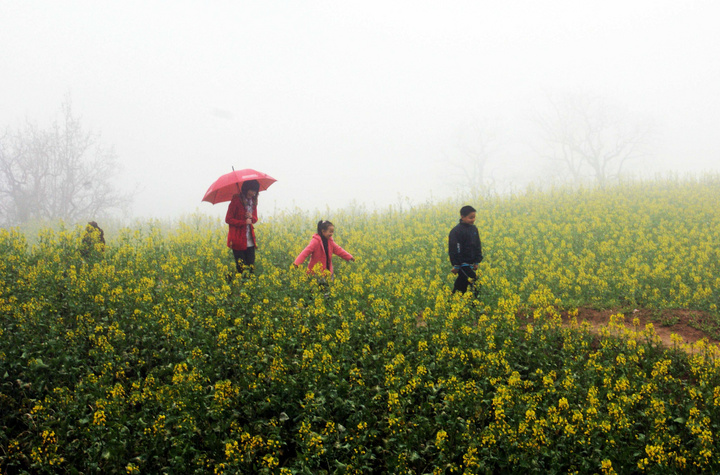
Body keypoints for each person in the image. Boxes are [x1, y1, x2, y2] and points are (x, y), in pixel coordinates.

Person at [226, 180, 260, 274]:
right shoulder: (236, 200)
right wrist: (243, 222)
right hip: (238, 240)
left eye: (255, 191)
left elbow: (255, 219)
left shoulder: (253, 202)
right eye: (252, 190)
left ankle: (249, 286)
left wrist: (251, 217)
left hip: (250, 240)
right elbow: (228, 219)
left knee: (251, 267)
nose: (253, 193)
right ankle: (242, 286)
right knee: (241, 268)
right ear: (246, 189)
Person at [448, 205, 483, 294]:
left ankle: (453, 303)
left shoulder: (474, 229)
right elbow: (454, 249)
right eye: (470, 217)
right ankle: (474, 304)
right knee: (474, 281)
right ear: (462, 217)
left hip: (471, 262)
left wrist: (477, 261)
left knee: (462, 285)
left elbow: (477, 245)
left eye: (474, 217)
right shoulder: (456, 231)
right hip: (462, 263)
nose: (473, 219)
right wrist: (456, 265)